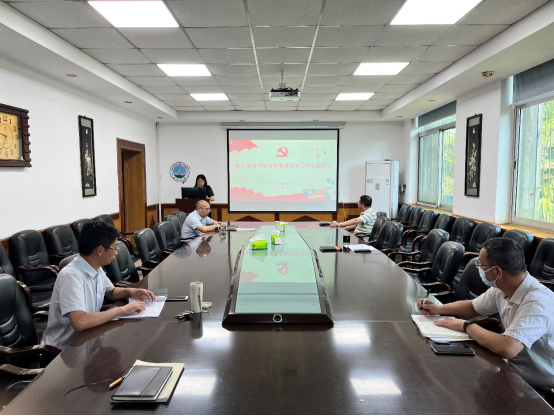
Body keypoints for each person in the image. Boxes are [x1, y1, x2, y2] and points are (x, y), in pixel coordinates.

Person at [418, 238, 554, 396]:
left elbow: (508, 348)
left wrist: (466, 326)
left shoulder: (538, 302)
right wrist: (438, 309)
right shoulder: (502, 288)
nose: (479, 268)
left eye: (481, 265)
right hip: (512, 371)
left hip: (538, 386)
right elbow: (473, 306)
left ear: (497, 272)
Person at [41, 220, 155, 351]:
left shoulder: (94, 265)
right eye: (115, 247)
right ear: (100, 250)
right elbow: (79, 322)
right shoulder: (71, 276)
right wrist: (122, 310)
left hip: (89, 339)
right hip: (64, 349)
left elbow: (111, 292)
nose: (116, 252)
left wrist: (130, 291)